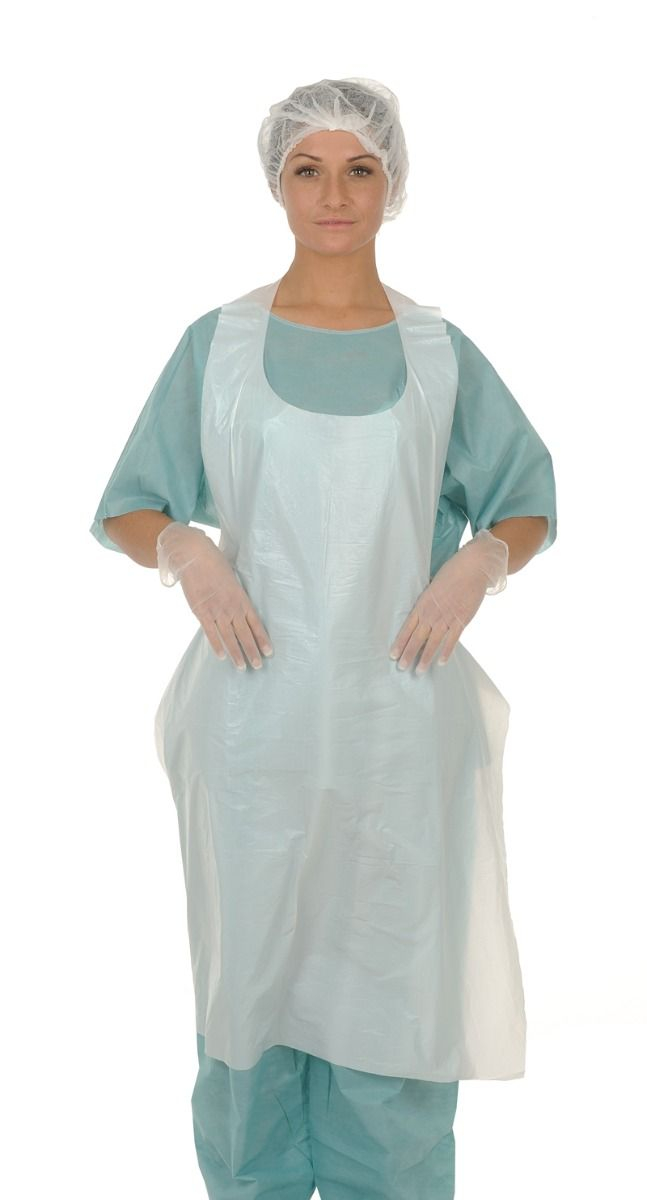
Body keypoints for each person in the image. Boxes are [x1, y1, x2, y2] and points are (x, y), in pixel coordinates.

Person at [90, 77, 557, 1200]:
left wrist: (480, 561)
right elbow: (129, 503)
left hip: (399, 725)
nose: (333, 194)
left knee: (392, 986)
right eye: (308, 169)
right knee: (249, 985)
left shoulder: (437, 353)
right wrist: (185, 550)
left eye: (359, 169)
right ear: (276, 184)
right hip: (252, 728)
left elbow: (526, 499)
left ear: (392, 183)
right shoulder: (219, 346)